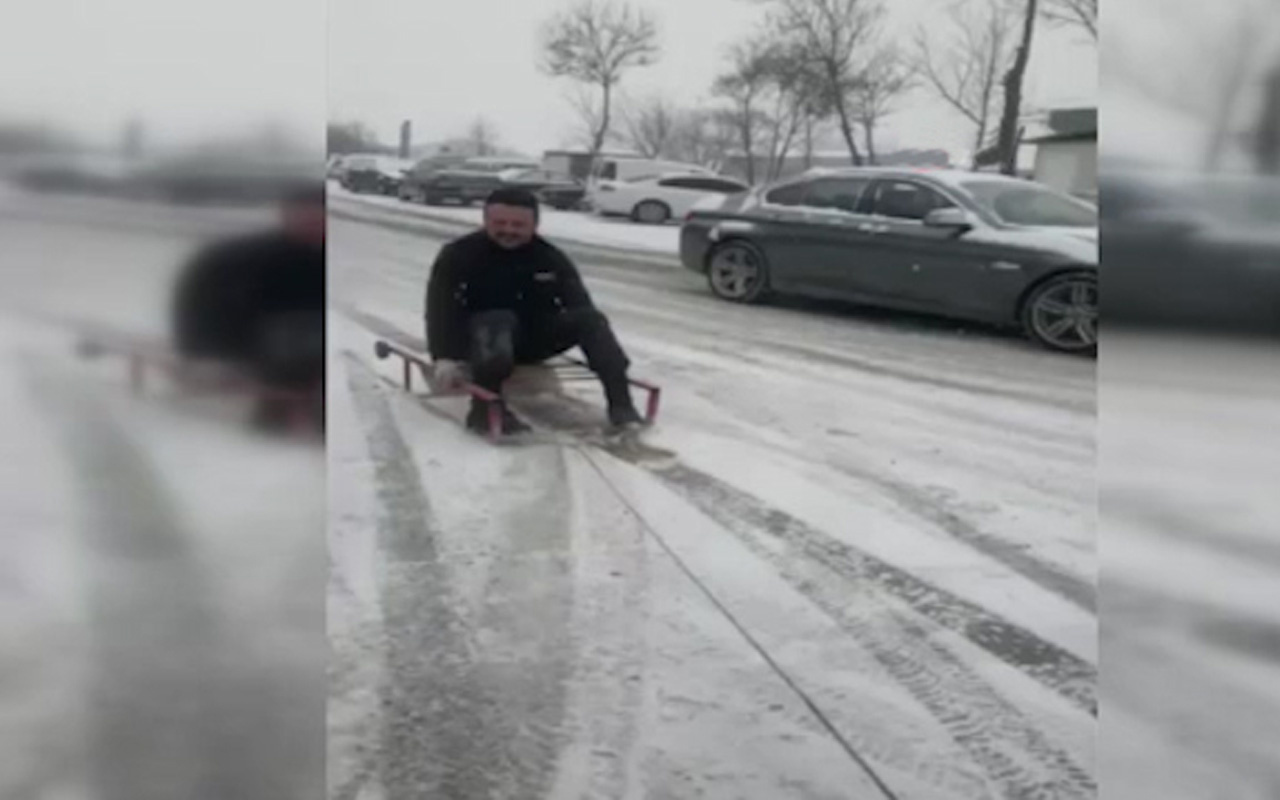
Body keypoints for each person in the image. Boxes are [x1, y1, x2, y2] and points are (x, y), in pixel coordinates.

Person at [425, 188, 643, 436]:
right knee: (498, 318)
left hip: (531, 339)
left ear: (534, 225)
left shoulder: (549, 258)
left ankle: (622, 405)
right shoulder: (459, 254)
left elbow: (579, 304)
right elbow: (439, 308)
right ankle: (484, 411)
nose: (509, 230)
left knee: (591, 319)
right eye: (500, 223)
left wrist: (596, 342)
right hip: (478, 341)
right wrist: (443, 356)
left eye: (518, 225)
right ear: (485, 221)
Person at [171, 183, 325, 430]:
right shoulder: (245, 256)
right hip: (238, 336)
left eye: (320, 220)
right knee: (293, 336)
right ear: (288, 216)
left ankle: (309, 406)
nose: (315, 226)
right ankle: (277, 411)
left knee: (310, 336)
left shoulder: (320, 257)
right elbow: (206, 303)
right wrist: (199, 349)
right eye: (307, 218)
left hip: (294, 339)